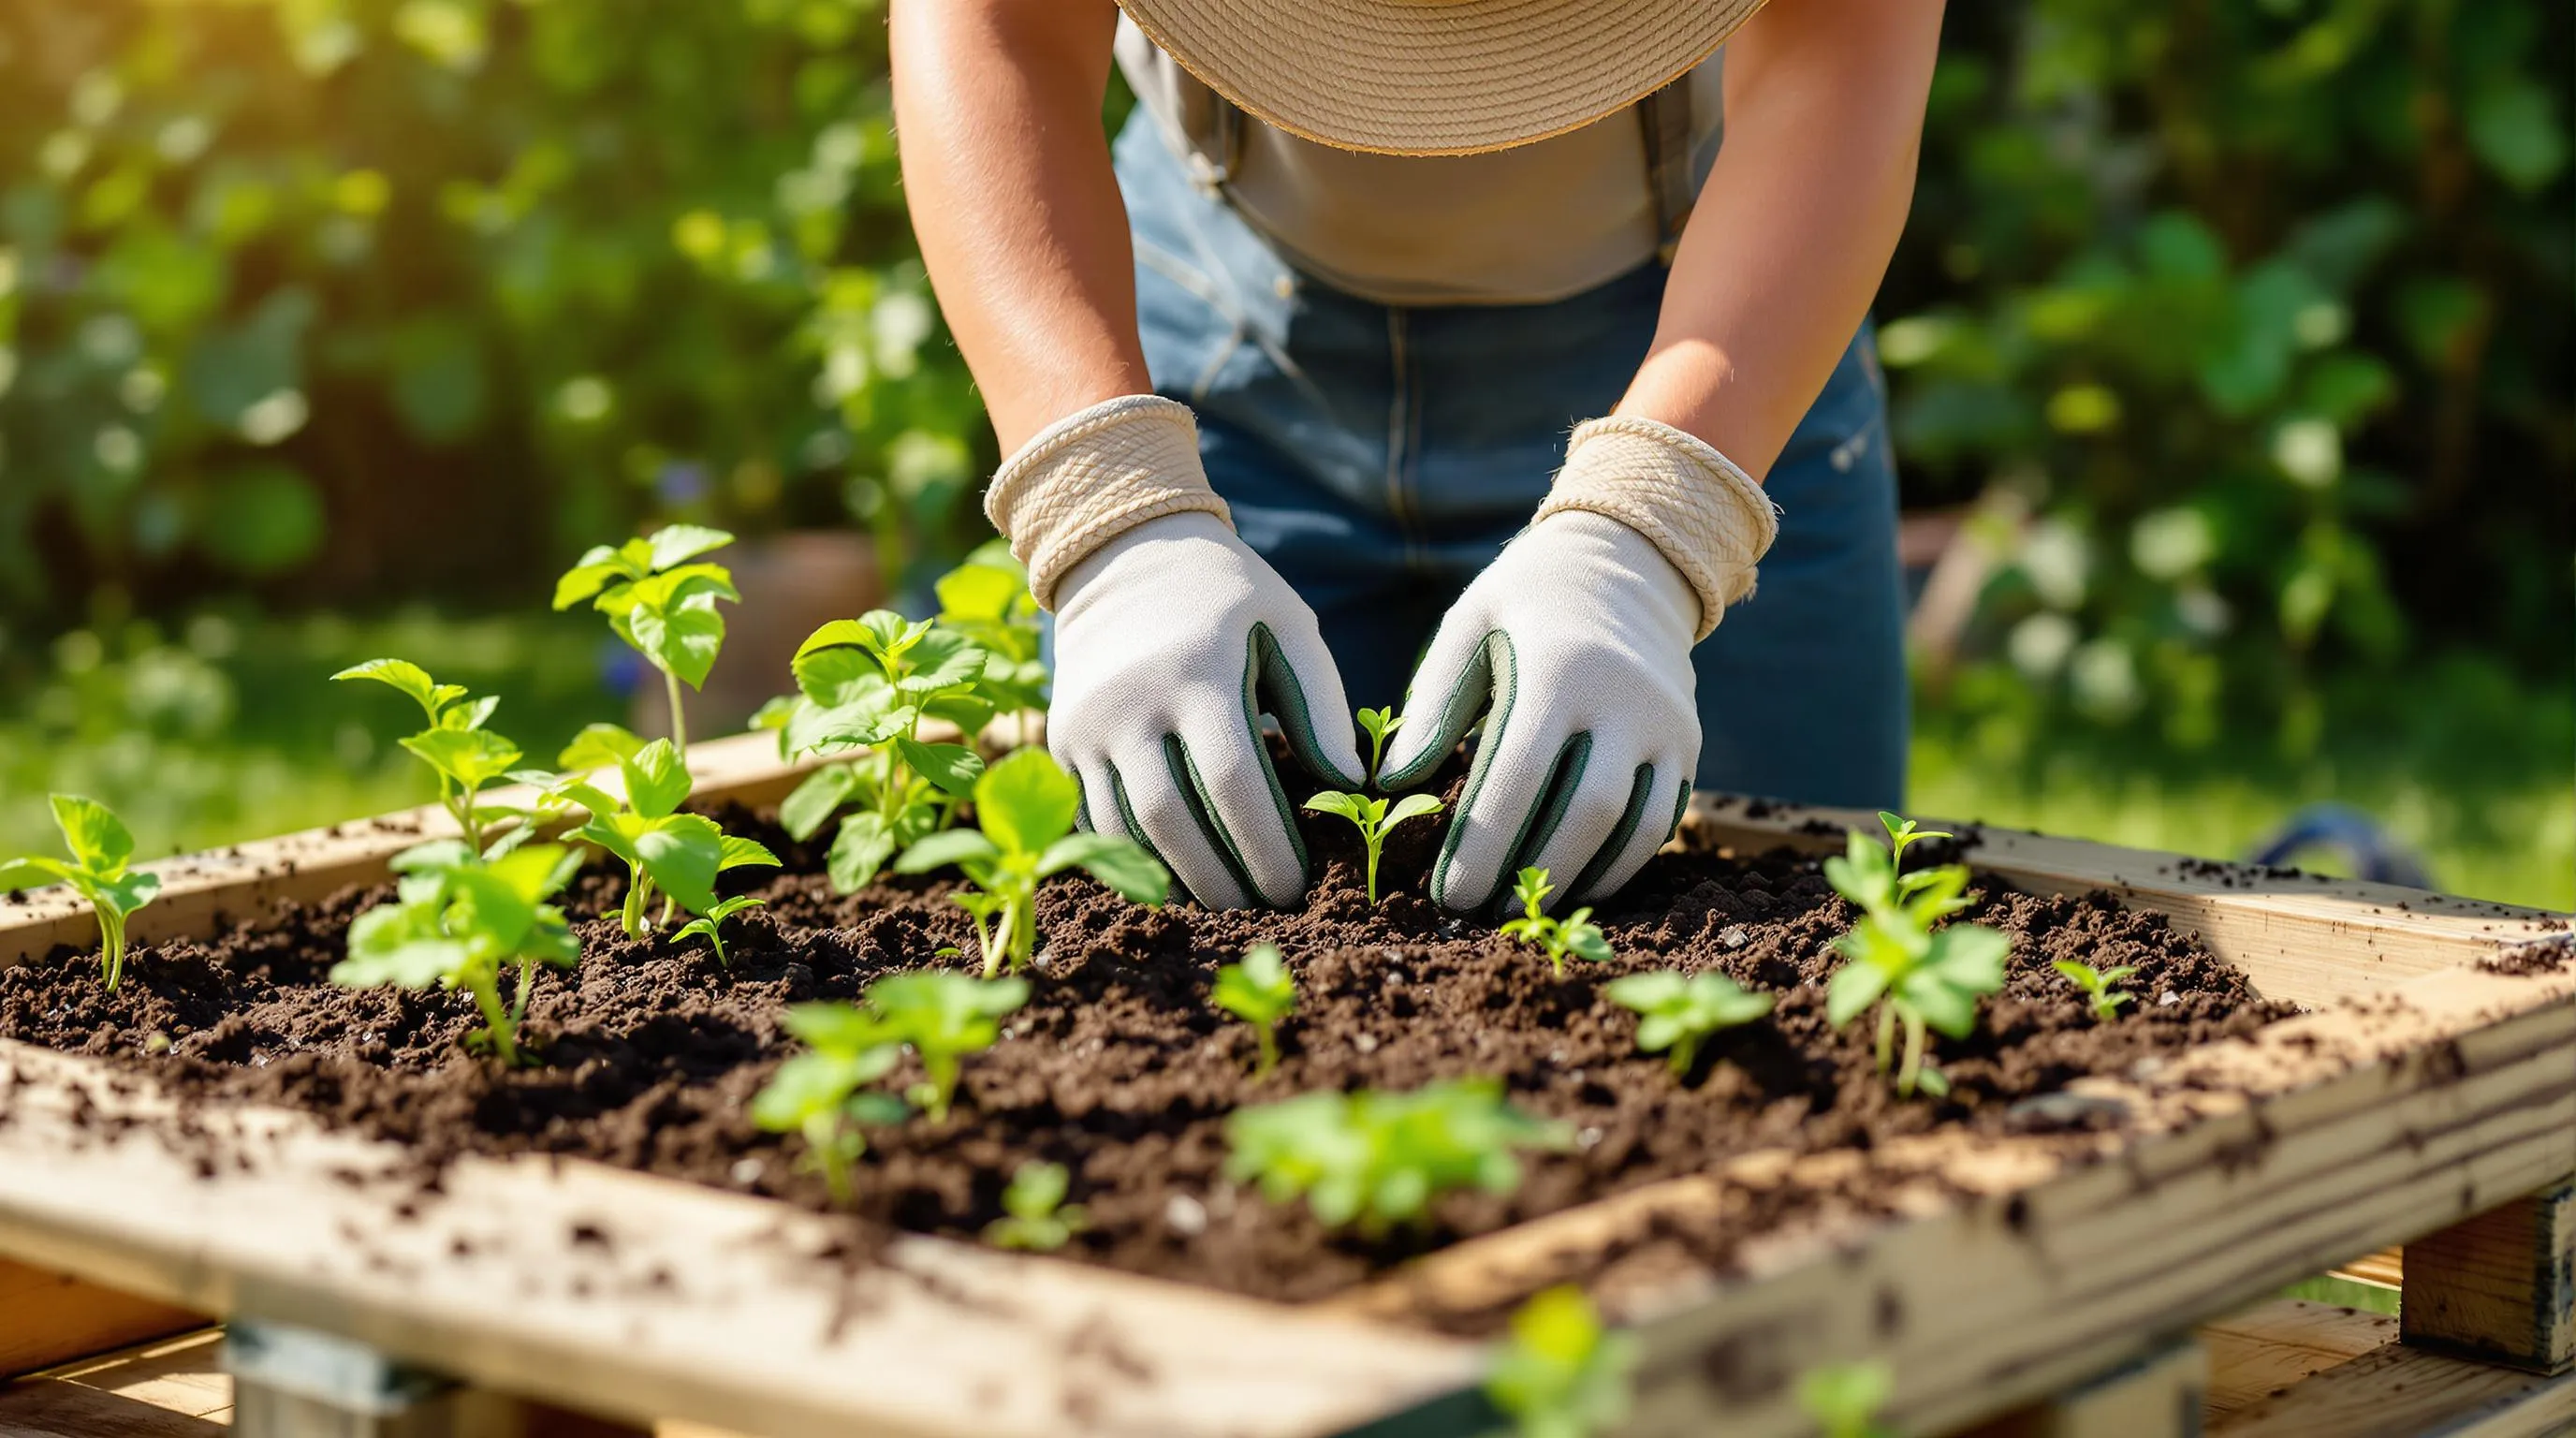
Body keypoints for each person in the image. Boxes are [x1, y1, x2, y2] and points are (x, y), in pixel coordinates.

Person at [891, 0, 1944, 914]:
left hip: (1726, 326)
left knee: (1793, 924)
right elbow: (1000, 23)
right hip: (1208, 334)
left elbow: (1838, 55)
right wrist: (1114, 512)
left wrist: (1660, 527)